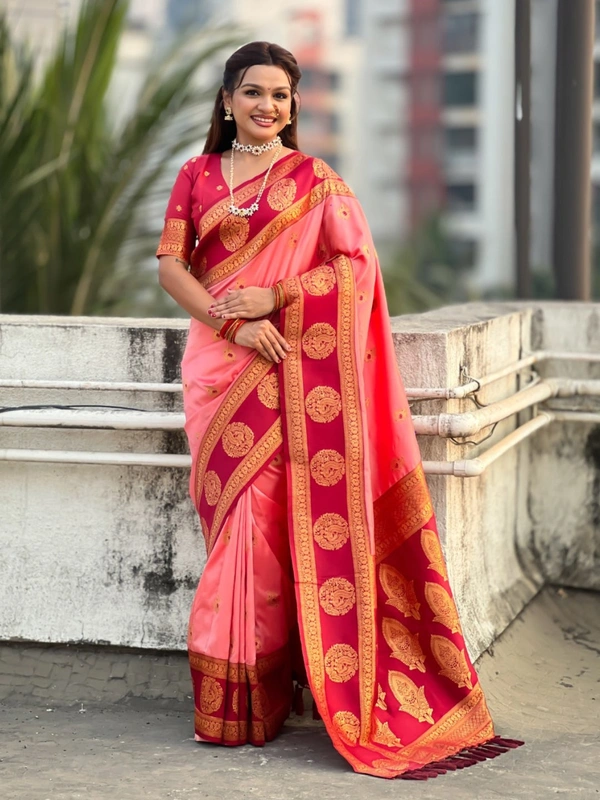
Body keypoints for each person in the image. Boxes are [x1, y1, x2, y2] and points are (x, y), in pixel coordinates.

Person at [156, 41, 522, 780]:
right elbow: (172, 266)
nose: (267, 106)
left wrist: (280, 298)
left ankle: (252, 704)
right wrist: (233, 324)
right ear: (226, 100)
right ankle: (239, 700)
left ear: (294, 108)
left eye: (281, 96)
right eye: (253, 92)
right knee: (233, 525)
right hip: (219, 371)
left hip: (284, 370)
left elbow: (355, 270)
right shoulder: (195, 176)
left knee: (258, 533)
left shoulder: (315, 183)